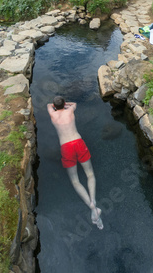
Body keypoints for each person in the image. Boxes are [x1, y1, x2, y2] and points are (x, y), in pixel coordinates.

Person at [47, 96, 103, 230]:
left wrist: (57, 105)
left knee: (75, 181)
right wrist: (67, 105)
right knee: (90, 174)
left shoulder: (52, 114)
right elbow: (75, 103)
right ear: (65, 104)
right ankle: (93, 201)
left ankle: (91, 207)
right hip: (78, 142)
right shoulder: (70, 110)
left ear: (55, 106)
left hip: (66, 146)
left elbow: (49, 105)